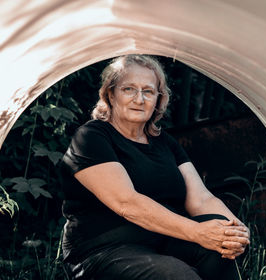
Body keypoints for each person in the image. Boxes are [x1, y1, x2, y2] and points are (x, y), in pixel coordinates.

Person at [61, 54, 250, 280]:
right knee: (177, 276)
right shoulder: (91, 137)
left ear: (158, 99)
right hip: (103, 250)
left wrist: (235, 231)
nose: (139, 99)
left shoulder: (165, 143)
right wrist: (197, 232)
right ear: (111, 94)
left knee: (219, 251)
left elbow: (201, 199)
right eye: (129, 89)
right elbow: (127, 203)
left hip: (161, 241)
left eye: (148, 91)